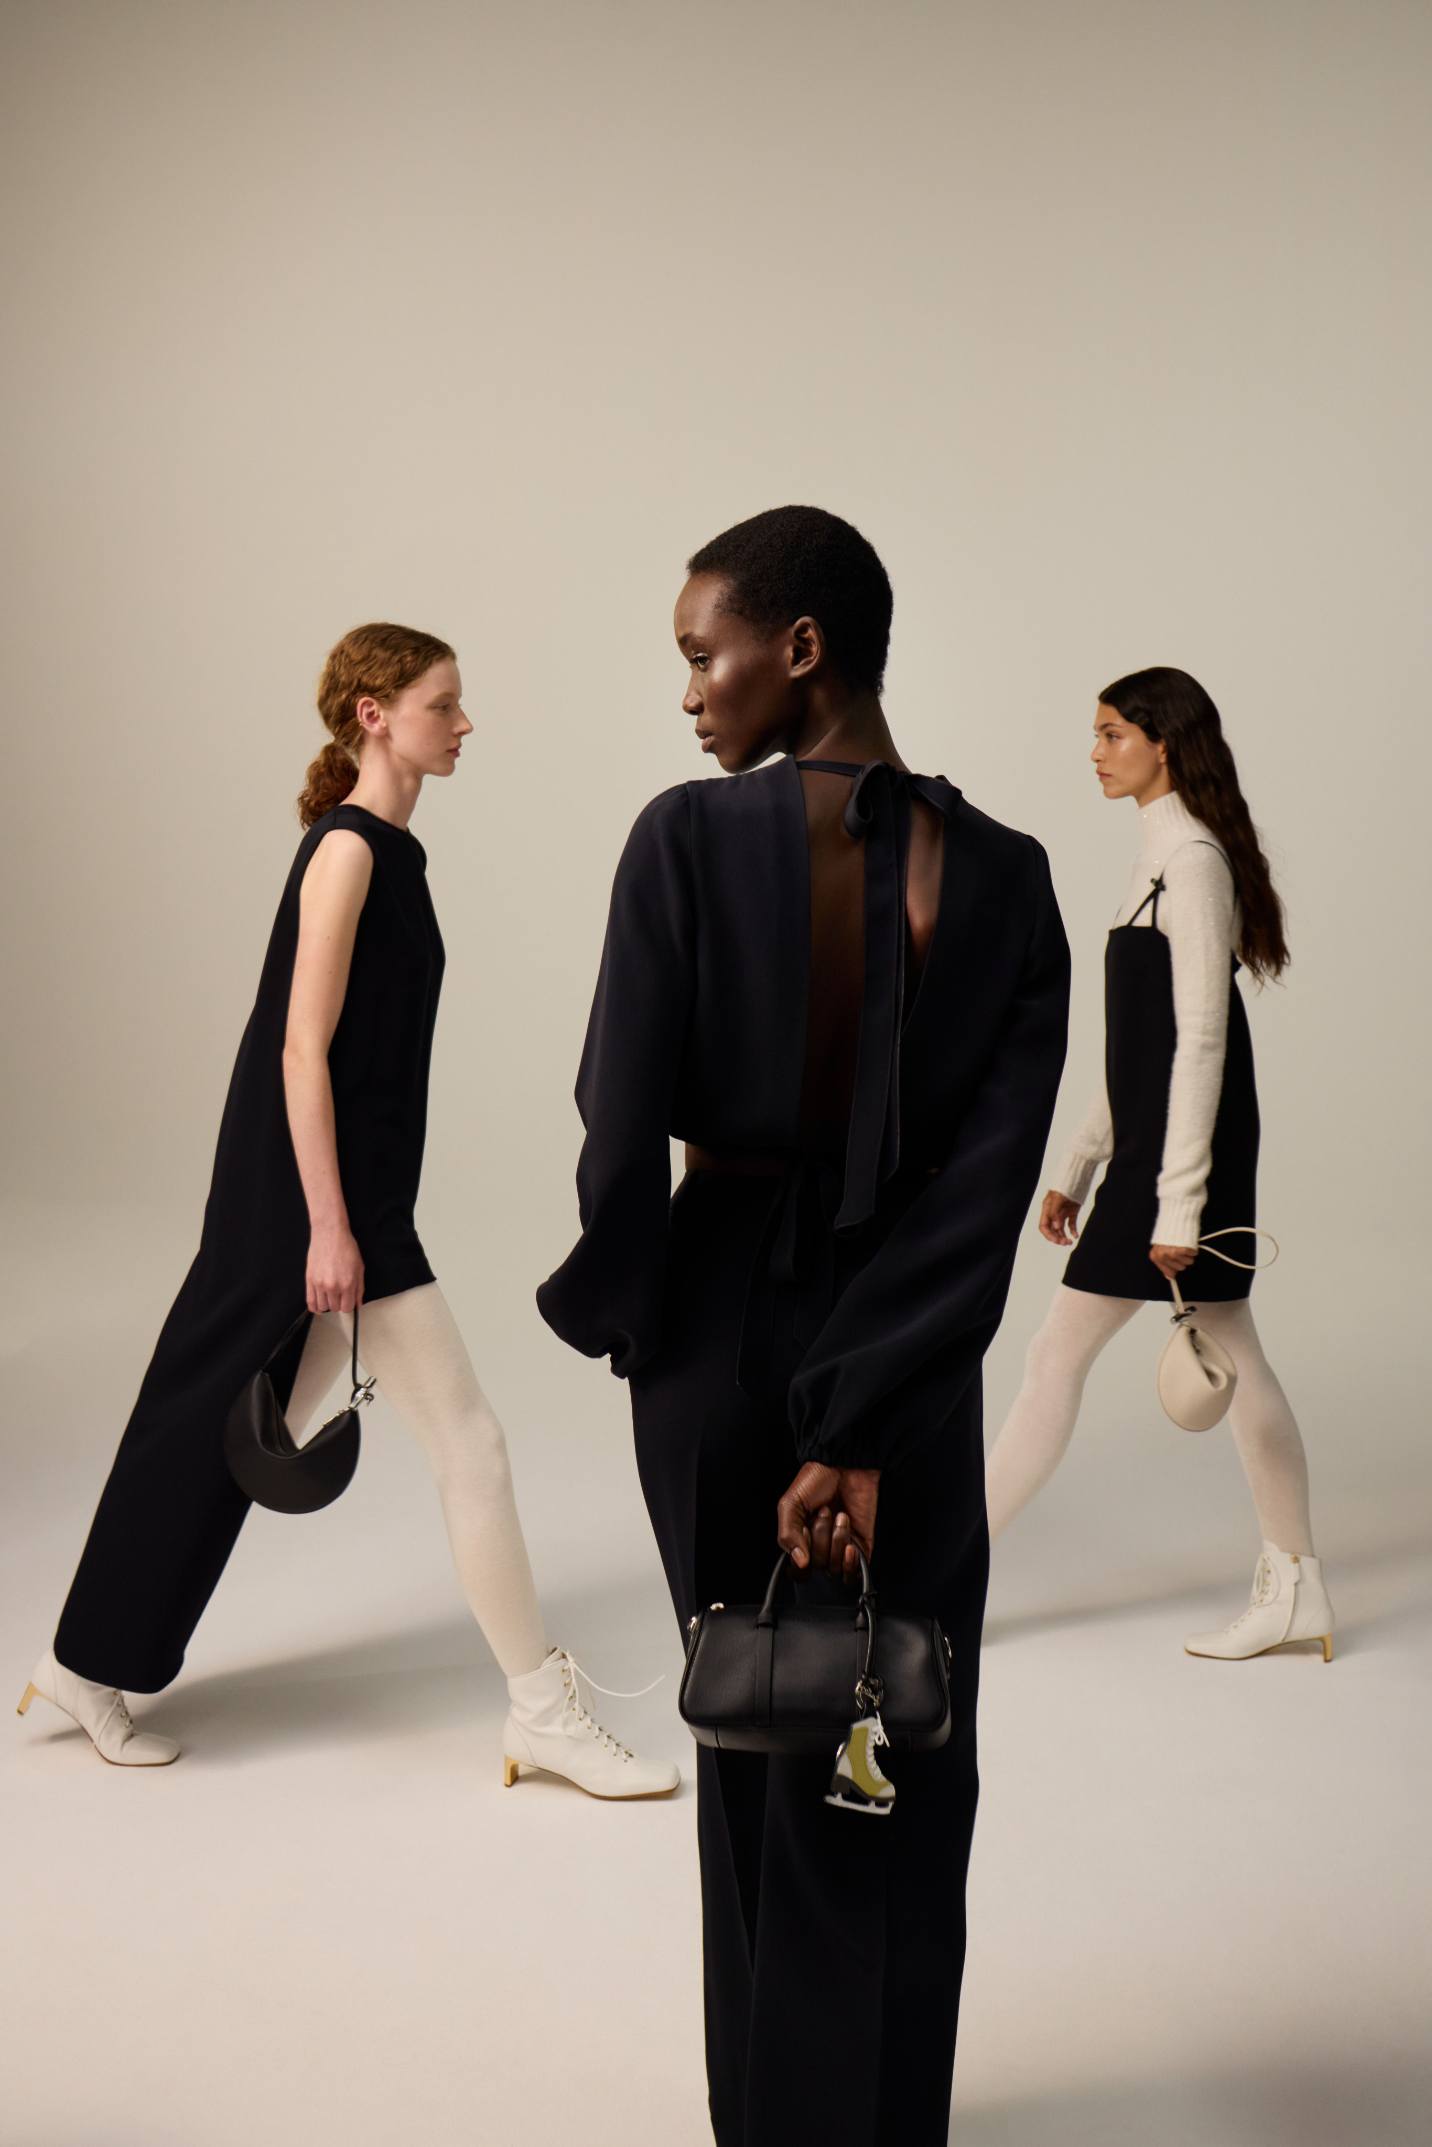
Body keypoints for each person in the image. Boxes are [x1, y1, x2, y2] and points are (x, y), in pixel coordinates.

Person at [537, 507, 1070, 2147]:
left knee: (756, 1721)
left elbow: (618, 1123)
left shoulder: (684, 840)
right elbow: (985, 1188)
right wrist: (864, 1415)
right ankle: (883, 2114)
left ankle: (767, 2116)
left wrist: (635, 1311)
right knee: (899, 1728)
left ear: (802, 645)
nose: (691, 689)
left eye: (704, 652)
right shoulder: (1008, 876)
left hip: (713, 1334)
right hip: (913, 1350)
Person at [18, 622, 677, 1797]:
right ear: (374, 714)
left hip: (346, 1196)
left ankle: (83, 1664)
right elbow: (299, 1048)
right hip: (320, 1203)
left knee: (221, 1430)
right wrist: (328, 1226)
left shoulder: (392, 854)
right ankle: (541, 1711)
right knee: (467, 1441)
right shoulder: (347, 850)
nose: (465, 723)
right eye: (443, 702)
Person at [984, 666, 1334, 1662]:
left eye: (1111, 734)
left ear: (1163, 744)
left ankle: (944, 1575)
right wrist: (1080, 1164)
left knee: (1057, 1357)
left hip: (1187, 1159)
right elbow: (1138, 1048)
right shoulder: (1160, 860)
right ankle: (1297, 1583)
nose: (1094, 752)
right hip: (1155, 1152)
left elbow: (1203, 1041)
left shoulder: (1193, 862)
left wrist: (1177, 1203)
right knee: (1231, 1352)